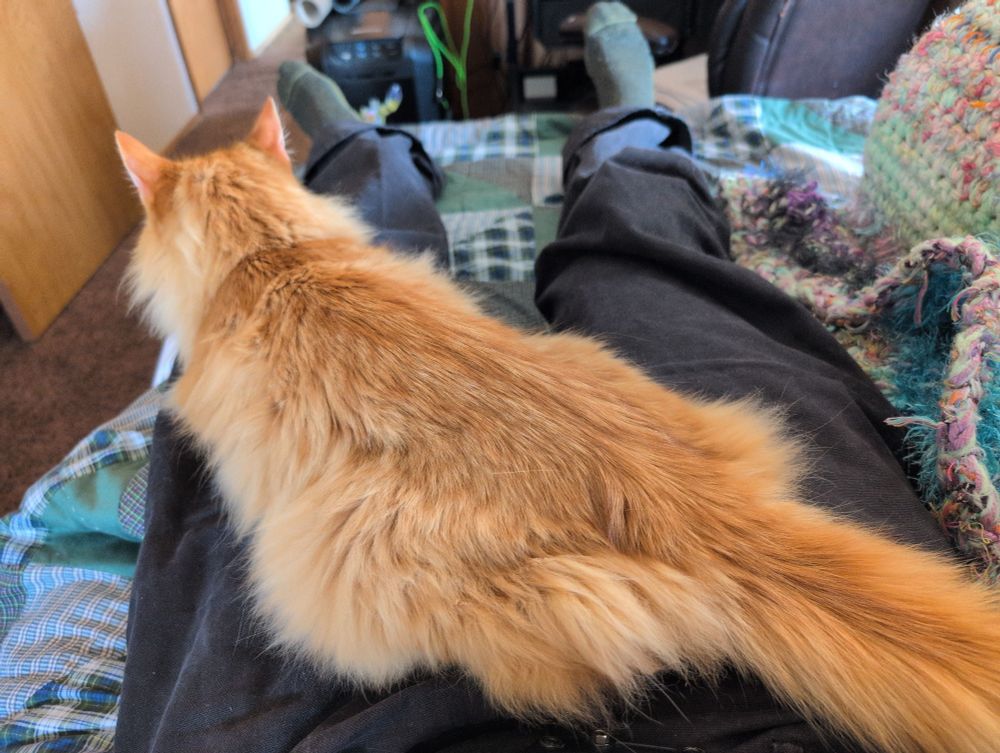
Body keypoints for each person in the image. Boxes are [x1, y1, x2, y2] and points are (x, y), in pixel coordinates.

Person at [114, 4, 950, 752]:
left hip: (365, 719)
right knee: (661, 290)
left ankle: (364, 153)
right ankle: (624, 140)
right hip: (726, 682)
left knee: (205, 467)